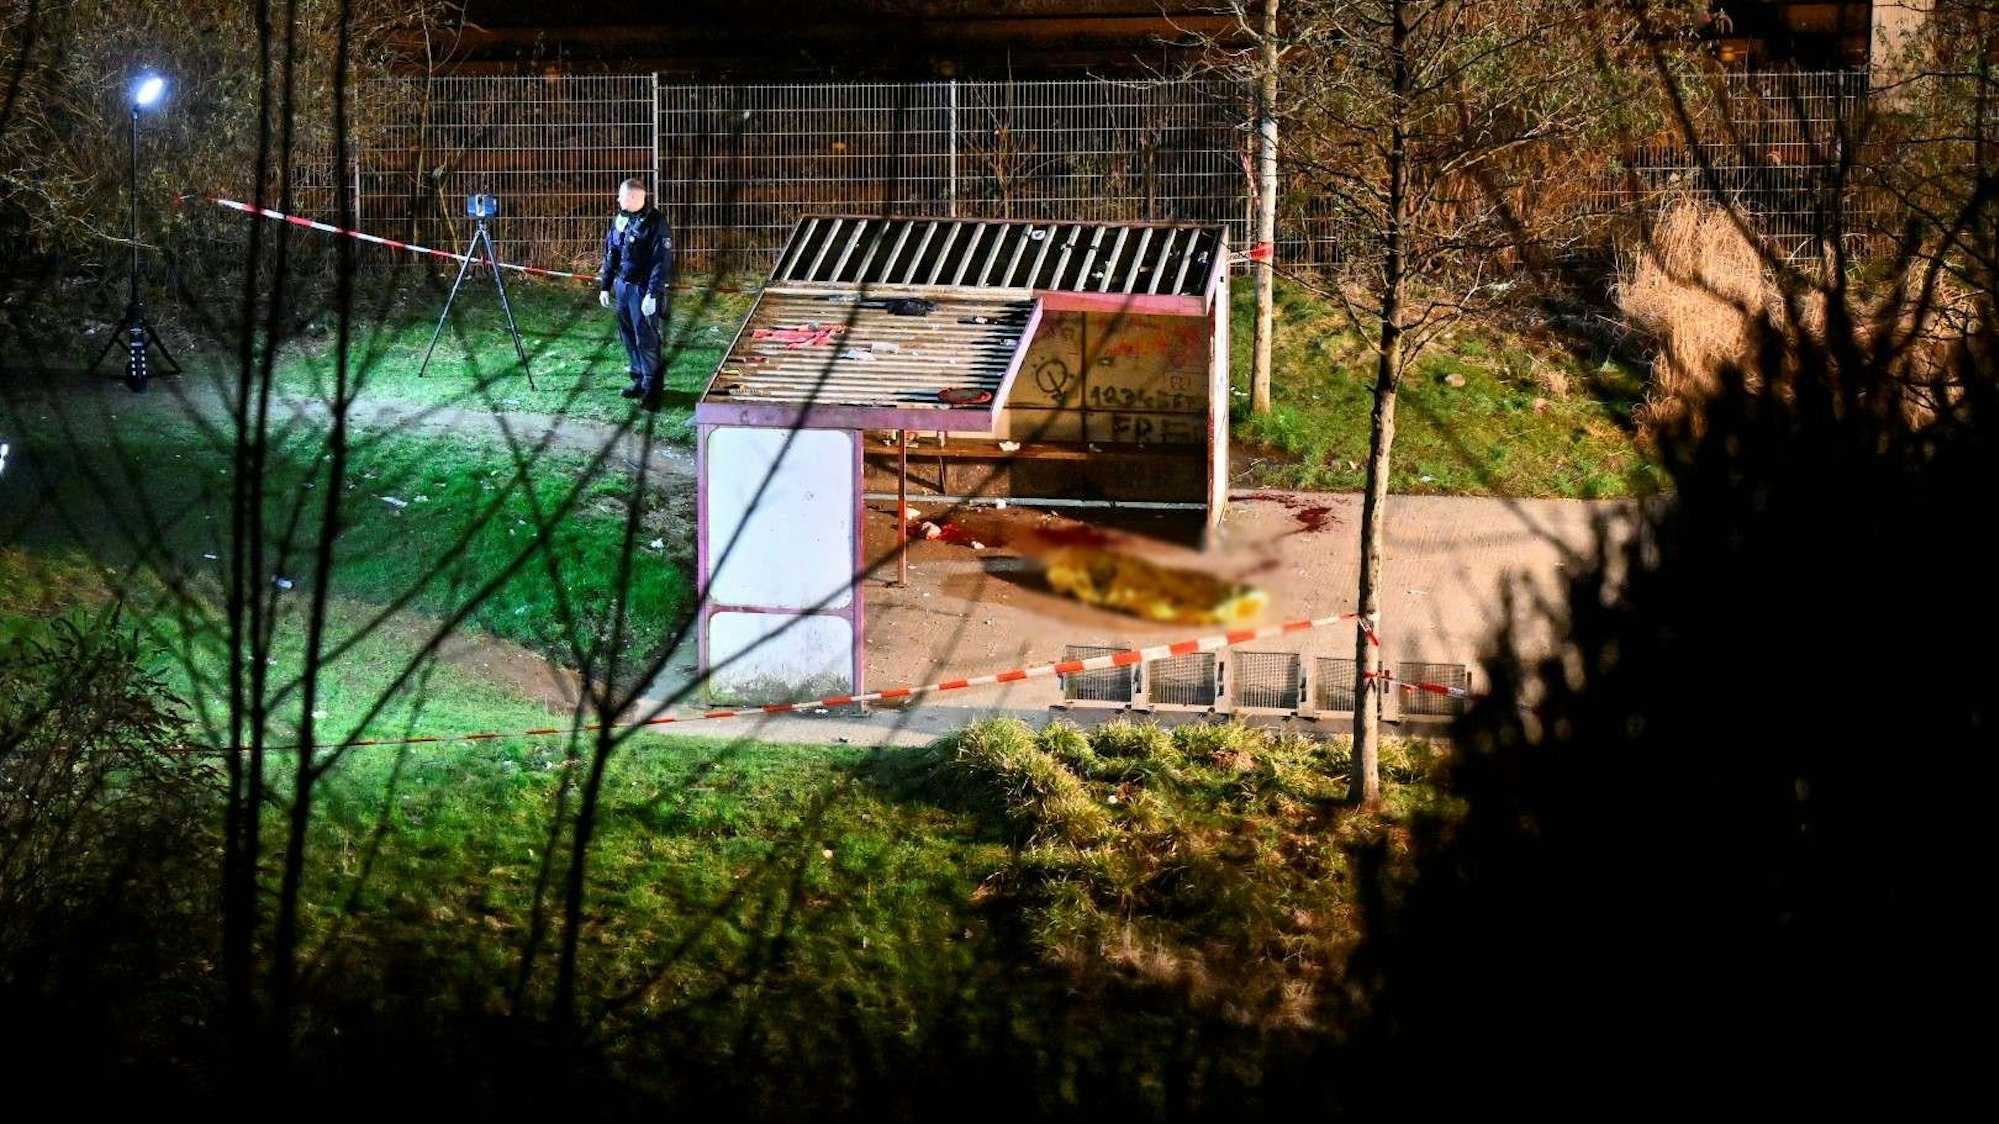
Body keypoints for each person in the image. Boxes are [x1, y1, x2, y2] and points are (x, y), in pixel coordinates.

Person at [597, 177, 674, 406]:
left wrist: (652, 293)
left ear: (632, 196)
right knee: (628, 336)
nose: (617, 199)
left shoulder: (655, 223)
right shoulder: (621, 219)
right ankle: (639, 379)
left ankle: (653, 388)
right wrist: (605, 285)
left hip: (643, 289)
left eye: (621, 195)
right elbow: (611, 252)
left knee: (646, 338)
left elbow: (661, 261)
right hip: (623, 286)